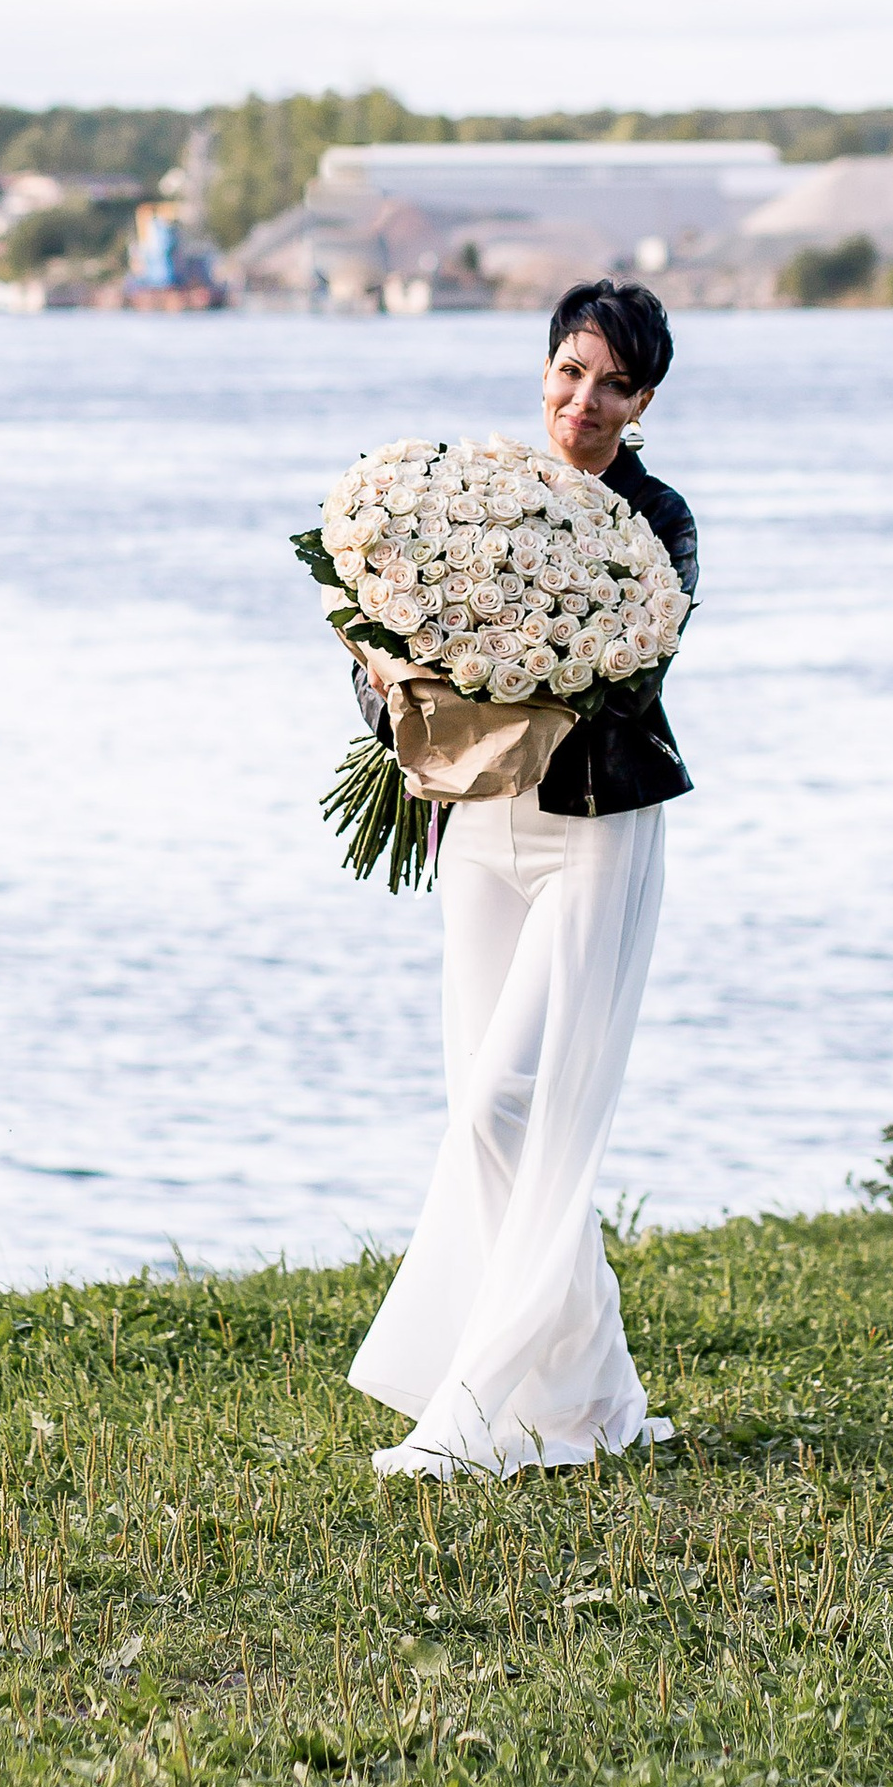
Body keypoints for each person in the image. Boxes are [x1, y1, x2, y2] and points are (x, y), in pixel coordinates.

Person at [348, 278, 697, 1478]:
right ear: (544, 368)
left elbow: (632, 674)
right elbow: (391, 633)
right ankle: (595, 1402)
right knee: (482, 1116)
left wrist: (527, 653)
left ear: (644, 398)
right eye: (567, 372)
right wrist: (404, 683)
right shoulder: (474, 493)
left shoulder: (660, 519)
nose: (581, 401)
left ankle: (476, 1417)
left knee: (517, 1106)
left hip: (595, 828)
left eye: (612, 384)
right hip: (483, 825)